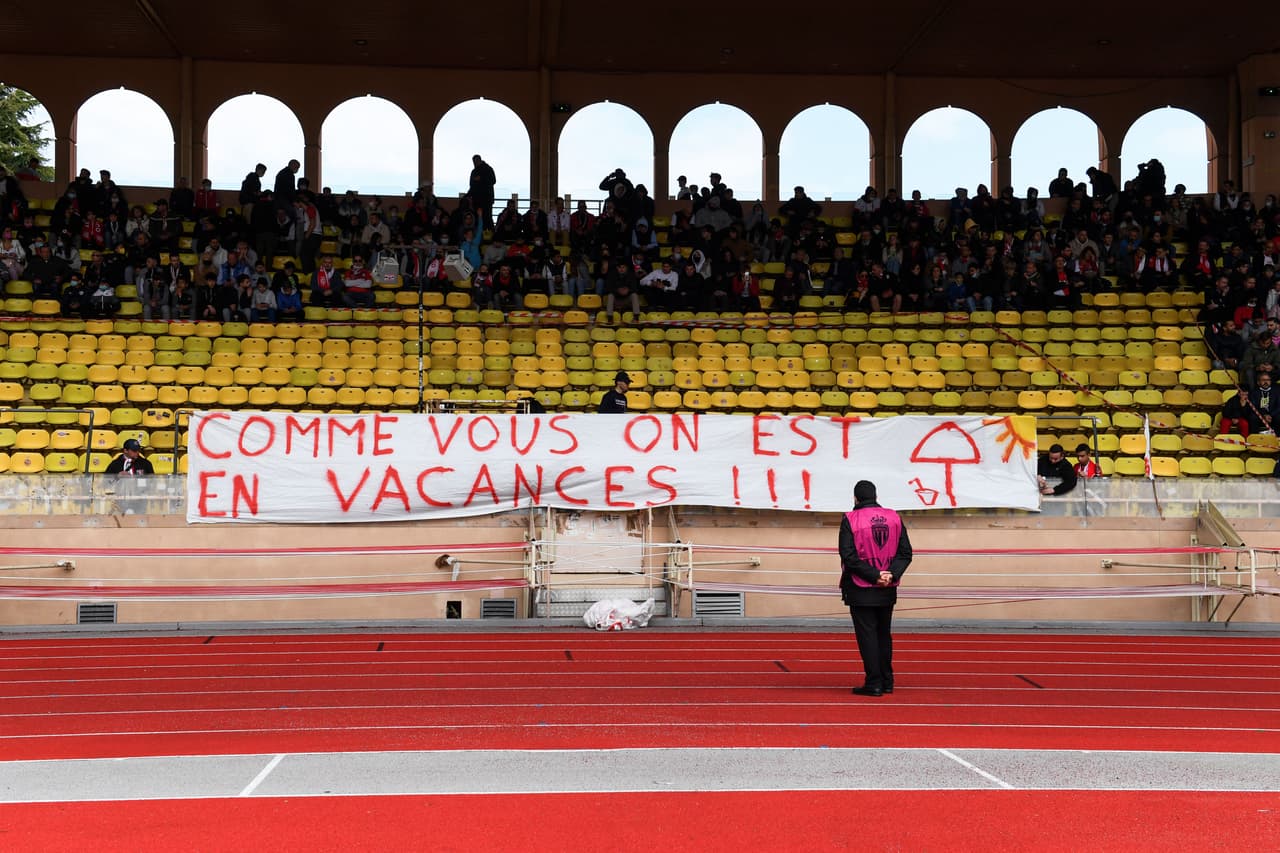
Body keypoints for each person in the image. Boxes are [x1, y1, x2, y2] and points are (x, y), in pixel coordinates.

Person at [839, 480, 913, 698]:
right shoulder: (894, 517)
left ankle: (874, 683)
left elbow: (848, 556)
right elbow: (905, 553)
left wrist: (874, 575)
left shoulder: (850, 519)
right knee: (883, 634)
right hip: (887, 586)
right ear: (876, 496)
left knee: (868, 636)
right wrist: (890, 574)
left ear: (855, 498)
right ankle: (887, 680)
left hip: (860, 586)